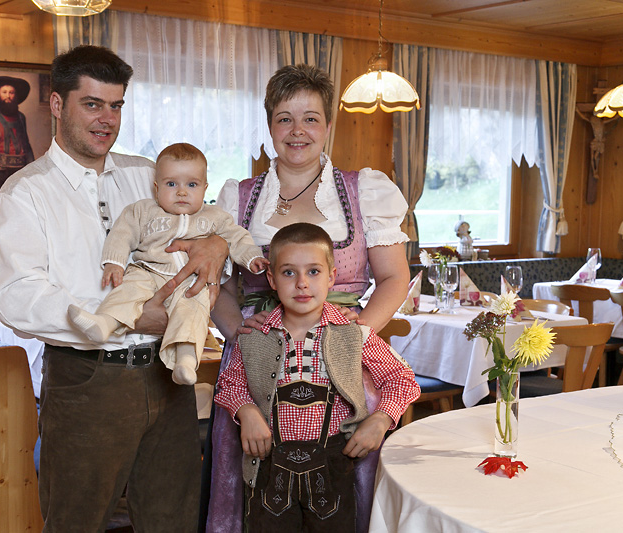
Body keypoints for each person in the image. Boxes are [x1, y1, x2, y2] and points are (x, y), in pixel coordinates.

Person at [0, 45, 228, 532]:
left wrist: (217, 246)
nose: (107, 119)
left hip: (168, 375)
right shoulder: (26, 191)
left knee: (174, 520)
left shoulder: (147, 174)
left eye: (116, 105)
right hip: (86, 381)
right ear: (58, 104)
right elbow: (17, 296)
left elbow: (202, 224)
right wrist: (132, 318)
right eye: (92, 104)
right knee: (76, 522)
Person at [204, 64, 411, 532]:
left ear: (328, 125)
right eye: (284, 118)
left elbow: (394, 277)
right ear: (269, 126)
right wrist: (238, 334)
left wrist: (354, 335)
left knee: (341, 492)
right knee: (258, 492)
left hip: (344, 363)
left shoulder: (365, 191)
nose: (297, 130)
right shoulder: (236, 199)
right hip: (257, 365)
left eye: (310, 118)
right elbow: (220, 286)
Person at [215, 223, 419, 531]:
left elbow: (401, 378)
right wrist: (247, 412)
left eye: (313, 272)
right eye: (288, 272)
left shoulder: (353, 334)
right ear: (271, 279)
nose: (302, 284)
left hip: (334, 468)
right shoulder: (254, 337)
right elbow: (229, 384)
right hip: (268, 469)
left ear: (331, 277)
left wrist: (380, 420)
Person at [68, 142, 268, 385]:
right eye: (171, 184)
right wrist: (114, 262)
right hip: (147, 270)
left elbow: (238, 237)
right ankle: (104, 323)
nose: (181, 192)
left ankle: (186, 360)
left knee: (193, 308)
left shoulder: (214, 217)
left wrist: (251, 257)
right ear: (157, 187)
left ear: (205, 188)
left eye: (191, 185)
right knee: (127, 291)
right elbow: (122, 233)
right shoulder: (143, 211)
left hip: (188, 282)